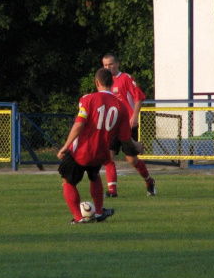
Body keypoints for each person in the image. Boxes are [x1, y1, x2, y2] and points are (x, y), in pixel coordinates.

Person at [57, 68, 144, 224]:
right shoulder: (121, 106)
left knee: (67, 181)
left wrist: (66, 146)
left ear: (96, 82)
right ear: (112, 82)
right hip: (101, 151)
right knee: (94, 176)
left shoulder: (88, 99)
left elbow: (78, 125)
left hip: (82, 150)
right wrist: (135, 145)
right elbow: (125, 137)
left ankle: (78, 218)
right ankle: (97, 212)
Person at [101, 53, 156, 197]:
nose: (108, 67)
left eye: (111, 64)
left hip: (127, 124)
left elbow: (139, 98)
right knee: (109, 156)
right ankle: (112, 190)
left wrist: (135, 116)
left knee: (132, 159)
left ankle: (149, 180)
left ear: (117, 64)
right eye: (105, 65)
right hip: (112, 124)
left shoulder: (125, 78)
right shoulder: (104, 82)